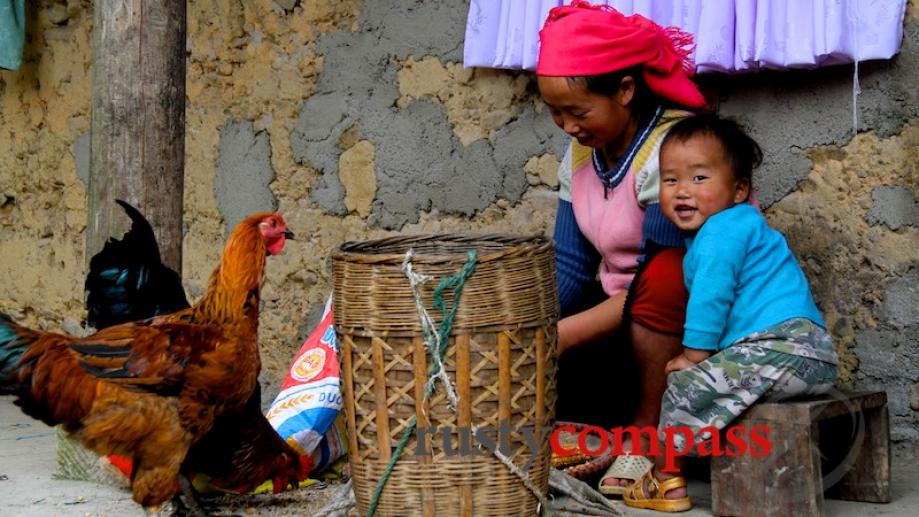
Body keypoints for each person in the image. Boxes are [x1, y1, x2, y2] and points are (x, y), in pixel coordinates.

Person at [619, 113, 839, 512]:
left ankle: (665, 478)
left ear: (739, 189)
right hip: (805, 354)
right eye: (671, 180)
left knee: (684, 385)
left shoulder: (723, 231)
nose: (683, 191)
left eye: (699, 179)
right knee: (710, 384)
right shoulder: (734, 228)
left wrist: (693, 355)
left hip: (783, 347)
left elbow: (711, 297)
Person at [535, 1, 707, 494]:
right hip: (619, 314)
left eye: (578, 111)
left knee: (667, 274)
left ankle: (646, 437)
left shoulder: (672, 150)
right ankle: (594, 441)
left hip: (683, 319)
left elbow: (665, 277)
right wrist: (533, 327)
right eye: (554, 113)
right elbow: (569, 266)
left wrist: (564, 334)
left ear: (626, 90)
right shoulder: (582, 151)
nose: (567, 125)